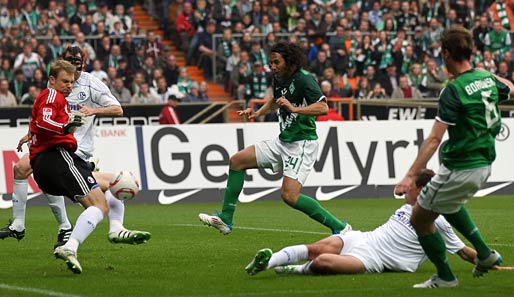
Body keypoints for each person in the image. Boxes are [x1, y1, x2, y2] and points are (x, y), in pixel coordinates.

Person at [394, 26, 514, 288]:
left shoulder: (453, 89)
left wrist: (411, 174)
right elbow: (510, 88)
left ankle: (446, 277)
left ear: (446, 53)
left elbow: (435, 138)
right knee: (449, 206)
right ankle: (484, 253)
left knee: (419, 218)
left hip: (460, 165)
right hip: (485, 164)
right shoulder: (487, 79)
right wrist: (481, 74)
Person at [0, 46, 151, 247]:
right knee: (27, 171)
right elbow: (47, 115)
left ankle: (78, 231)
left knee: (89, 195)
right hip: (59, 141)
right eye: (70, 68)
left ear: (83, 65)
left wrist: (92, 110)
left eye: (77, 68)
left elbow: (118, 109)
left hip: (77, 147)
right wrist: (32, 133)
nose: (73, 77)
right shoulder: (55, 84)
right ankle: (72, 229)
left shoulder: (92, 84)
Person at [199, 42, 350, 235]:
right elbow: (275, 101)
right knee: (237, 161)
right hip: (283, 142)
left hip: (302, 143)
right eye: (270, 62)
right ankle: (226, 219)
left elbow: (323, 107)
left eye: (276, 62)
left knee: (289, 196)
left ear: (290, 61)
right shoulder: (279, 78)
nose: (273, 66)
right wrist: (257, 112)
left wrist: (295, 109)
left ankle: (339, 227)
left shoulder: (305, 80)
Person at [245, 169, 482, 276]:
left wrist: (490, 261)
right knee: (317, 249)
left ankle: (292, 270)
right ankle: (266, 263)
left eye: (409, 189)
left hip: (373, 260)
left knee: (323, 262)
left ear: (421, 190)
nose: (403, 192)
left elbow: (463, 252)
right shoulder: (407, 207)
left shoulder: (438, 220)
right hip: (363, 238)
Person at [27, 59, 105, 274]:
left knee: (107, 189)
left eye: (71, 82)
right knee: (99, 205)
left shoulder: (54, 99)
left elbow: (39, 123)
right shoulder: (52, 95)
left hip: (48, 164)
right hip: (57, 157)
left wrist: (66, 122)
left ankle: (116, 228)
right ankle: (70, 245)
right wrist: (65, 126)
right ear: (52, 80)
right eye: (64, 81)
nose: (69, 85)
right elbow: (44, 122)